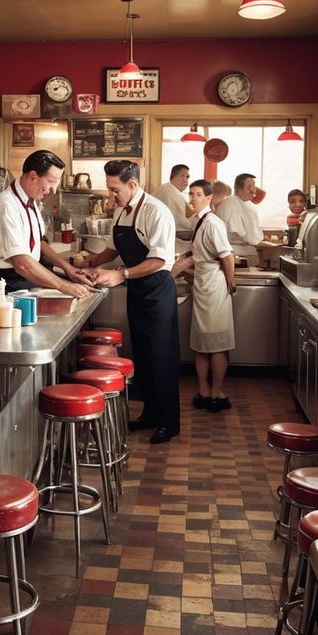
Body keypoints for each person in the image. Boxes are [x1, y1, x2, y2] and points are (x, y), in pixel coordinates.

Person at [72, 159, 182, 444]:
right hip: (137, 288)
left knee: (162, 355)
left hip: (157, 289)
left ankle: (169, 422)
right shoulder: (121, 209)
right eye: (109, 189)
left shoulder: (157, 212)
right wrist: (91, 262)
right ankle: (150, 413)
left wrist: (121, 274)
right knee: (143, 354)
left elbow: (160, 259)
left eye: (114, 190)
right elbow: (112, 247)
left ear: (133, 185)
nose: (111, 196)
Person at [0, 148, 93, 301]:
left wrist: (69, 269)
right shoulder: (6, 206)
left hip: (21, 282)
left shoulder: (32, 201)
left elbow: (38, 242)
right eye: (51, 182)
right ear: (33, 176)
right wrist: (65, 286)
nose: (53, 190)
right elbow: (22, 265)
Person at [172, 178, 236, 412]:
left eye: (198, 194)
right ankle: (205, 391)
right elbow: (200, 255)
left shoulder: (213, 223)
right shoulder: (200, 221)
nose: (192, 199)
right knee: (202, 343)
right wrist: (185, 268)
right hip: (203, 286)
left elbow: (226, 256)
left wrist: (230, 281)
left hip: (215, 287)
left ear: (209, 198)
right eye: (191, 194)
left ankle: (215, 392)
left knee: (216, 344)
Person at [217, 172, 263, 265]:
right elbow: (235, 232)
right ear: (237, 188)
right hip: (235, 253)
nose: (253, 190)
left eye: (254, 186)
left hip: (247, 251)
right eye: (249, 186)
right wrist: (257, 243)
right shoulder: (231, 203)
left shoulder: (247, 204)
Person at [153, 163, 193, 228]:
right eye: (182, 176)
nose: (185, 180)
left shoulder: (171, 189)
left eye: (187, 177)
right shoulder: (167, 190)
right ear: (173, 177)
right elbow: (181, 222)